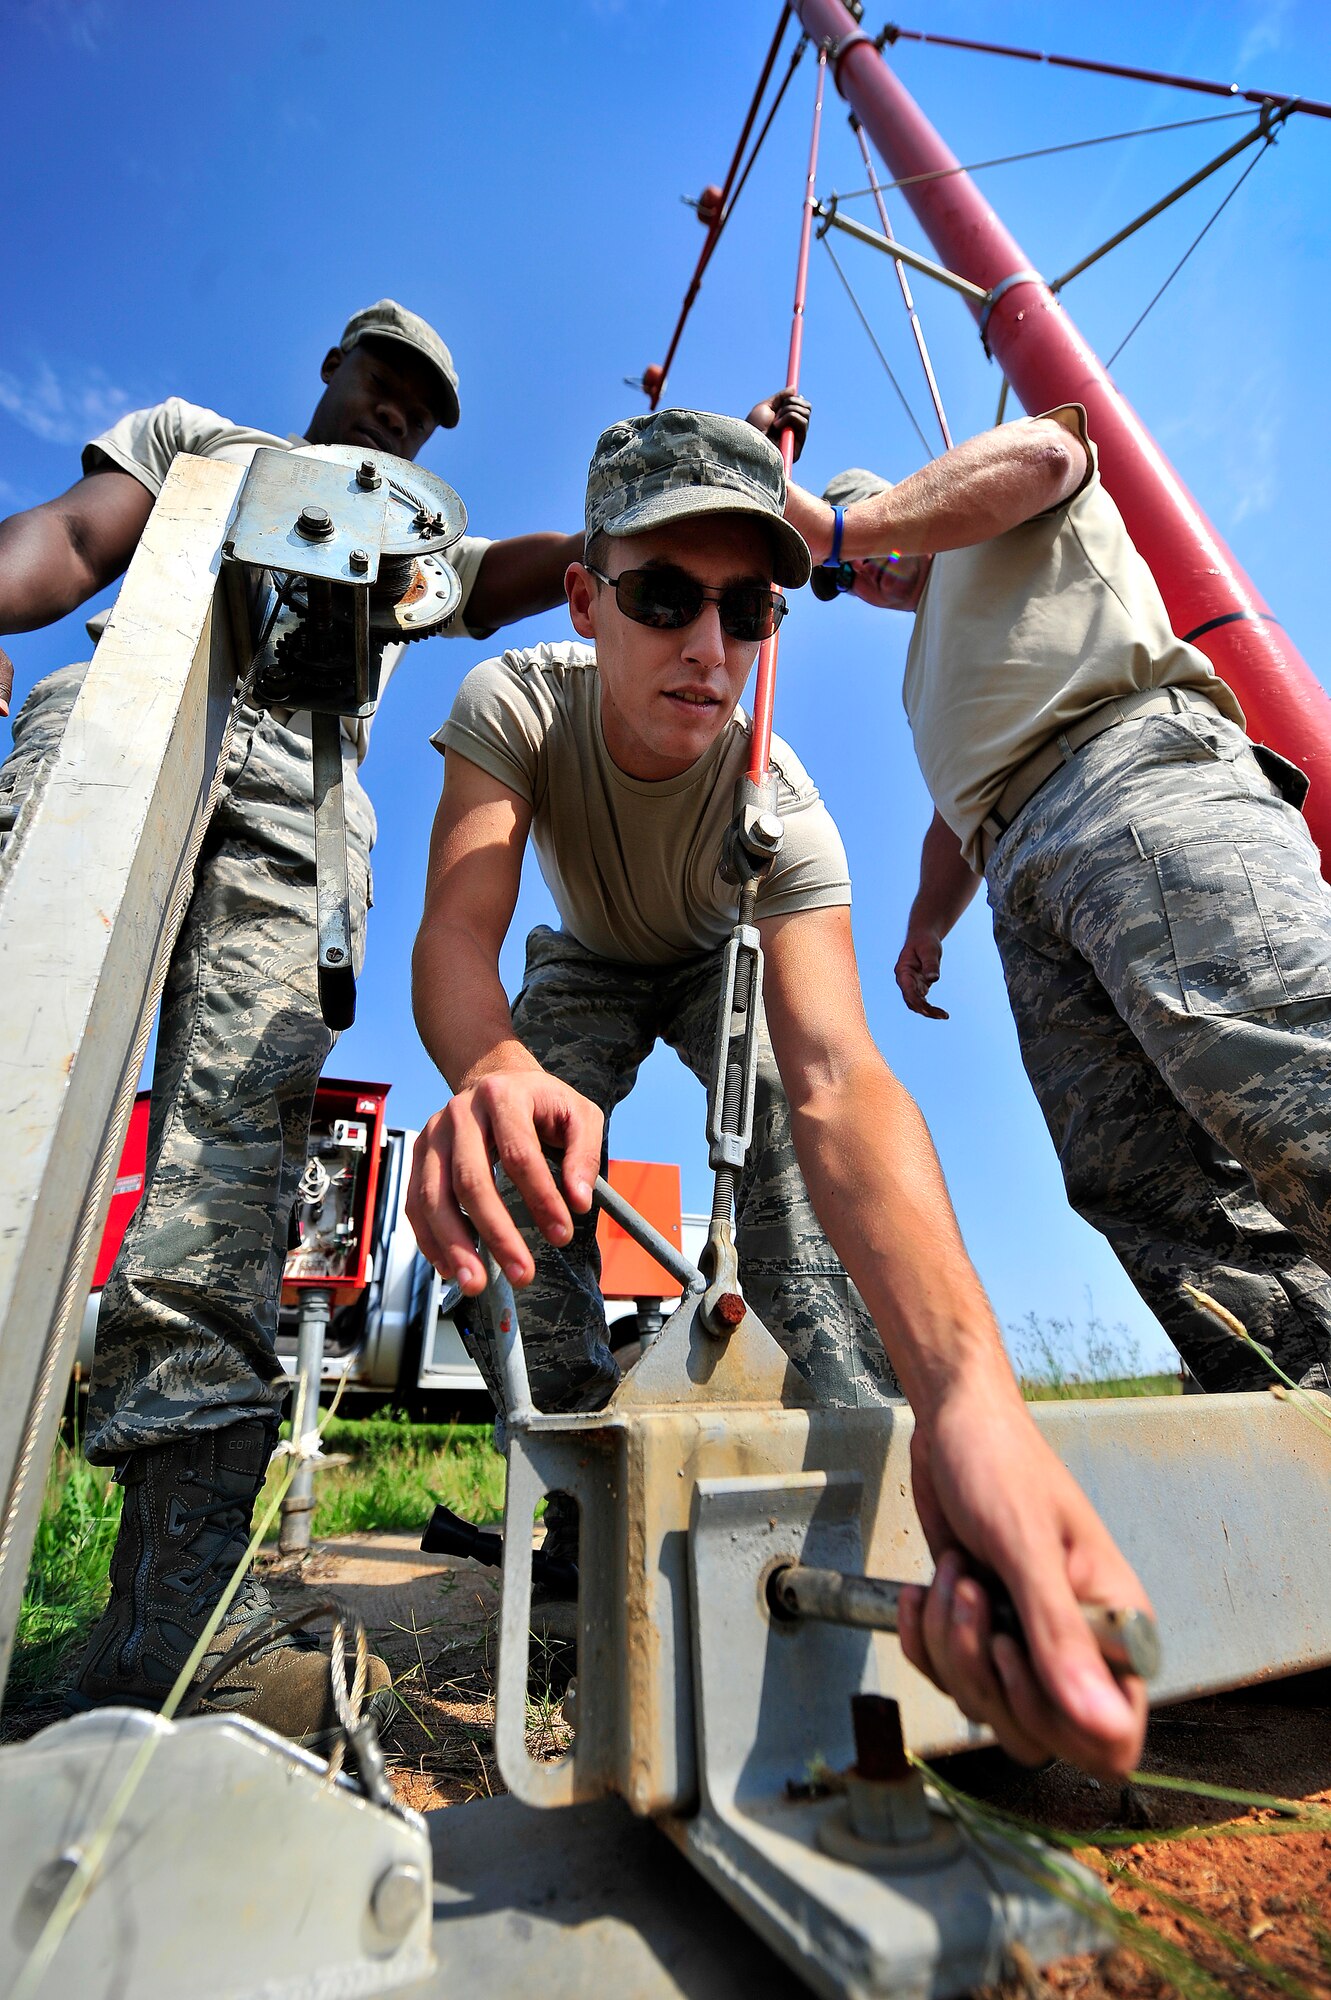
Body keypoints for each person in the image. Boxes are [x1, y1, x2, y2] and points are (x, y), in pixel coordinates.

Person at [405, 405, 1152, 1779]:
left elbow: (836, 1076)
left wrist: (969, 1396)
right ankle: (578, 1511)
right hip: (582, 963)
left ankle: (872, 1521)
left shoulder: (785, 807)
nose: (706, 649)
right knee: (512, 1161)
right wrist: (493, 1068)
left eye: (746, 608)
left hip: (713, 957)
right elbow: (459, 934)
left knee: (802, 1218)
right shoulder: (513, 702)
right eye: (662, 596)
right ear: (586, 597)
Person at [0, 301, 587, 1744]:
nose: (399, 414)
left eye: (424, 411)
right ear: (333, 366)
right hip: (125, 713)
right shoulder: (201, 444)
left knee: (226, 1170)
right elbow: (69, 547)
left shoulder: (405, 532)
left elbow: (506, 580)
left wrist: (630, 542)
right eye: (385, 383)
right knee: (19, 1073)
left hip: (299, 809)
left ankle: (174, 1628)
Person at [775, 401, 1331, 1399]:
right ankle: (1302, 1401)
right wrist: (925, 921)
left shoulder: (1002, 509)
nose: (859, 570)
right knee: (1137, 1179)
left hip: (1131, 777)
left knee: (1276, 1073)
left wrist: (849, 522)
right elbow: (959, 805)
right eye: (840, 574)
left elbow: (1046, 449)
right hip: (1023, 869)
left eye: (868, 531)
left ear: (914, 502)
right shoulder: (926, 670)